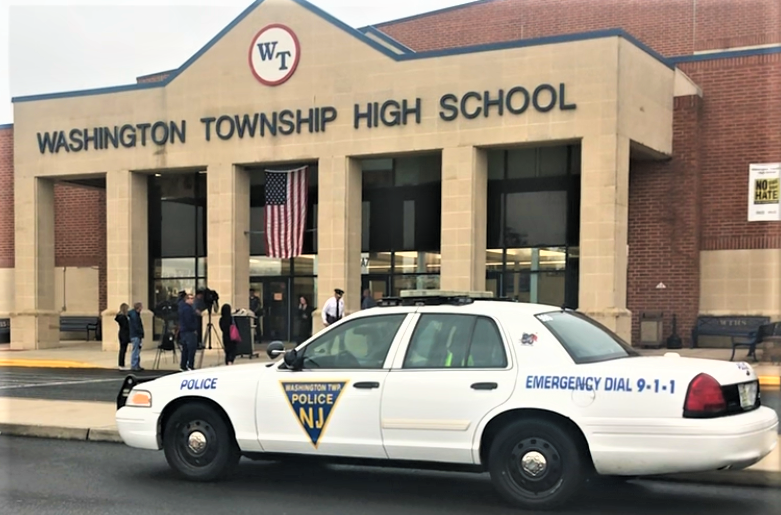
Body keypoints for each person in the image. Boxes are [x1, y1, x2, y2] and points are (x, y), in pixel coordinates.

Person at [178, 292, 200, 371]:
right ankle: (190, 365)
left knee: (185, 349)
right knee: (191, 349)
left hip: (185, 332)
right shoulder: (187, 309)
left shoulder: (185, 308)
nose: (192, 300)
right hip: (189, 332)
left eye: (193, 298)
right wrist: (194, 329)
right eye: (190, 298)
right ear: (186, 299)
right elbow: (188, 321)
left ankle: (183, 365)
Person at [128, 302, 145, 372]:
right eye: (141, 307)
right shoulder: (135, 316)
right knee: (135, 350)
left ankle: (136, 364)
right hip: (136, 335)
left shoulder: (134, 315)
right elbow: (137, 326)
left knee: (137, 350)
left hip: (135, 335)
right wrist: (140, 332)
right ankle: (134, 365)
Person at [115, 303, 130, 371]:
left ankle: (121, 364)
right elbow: (126, 326)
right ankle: (121, 364)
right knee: (123, 350)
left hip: (122, 333)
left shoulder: (120, 317)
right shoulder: (123, 318)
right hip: (124, 334)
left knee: (123, 349)